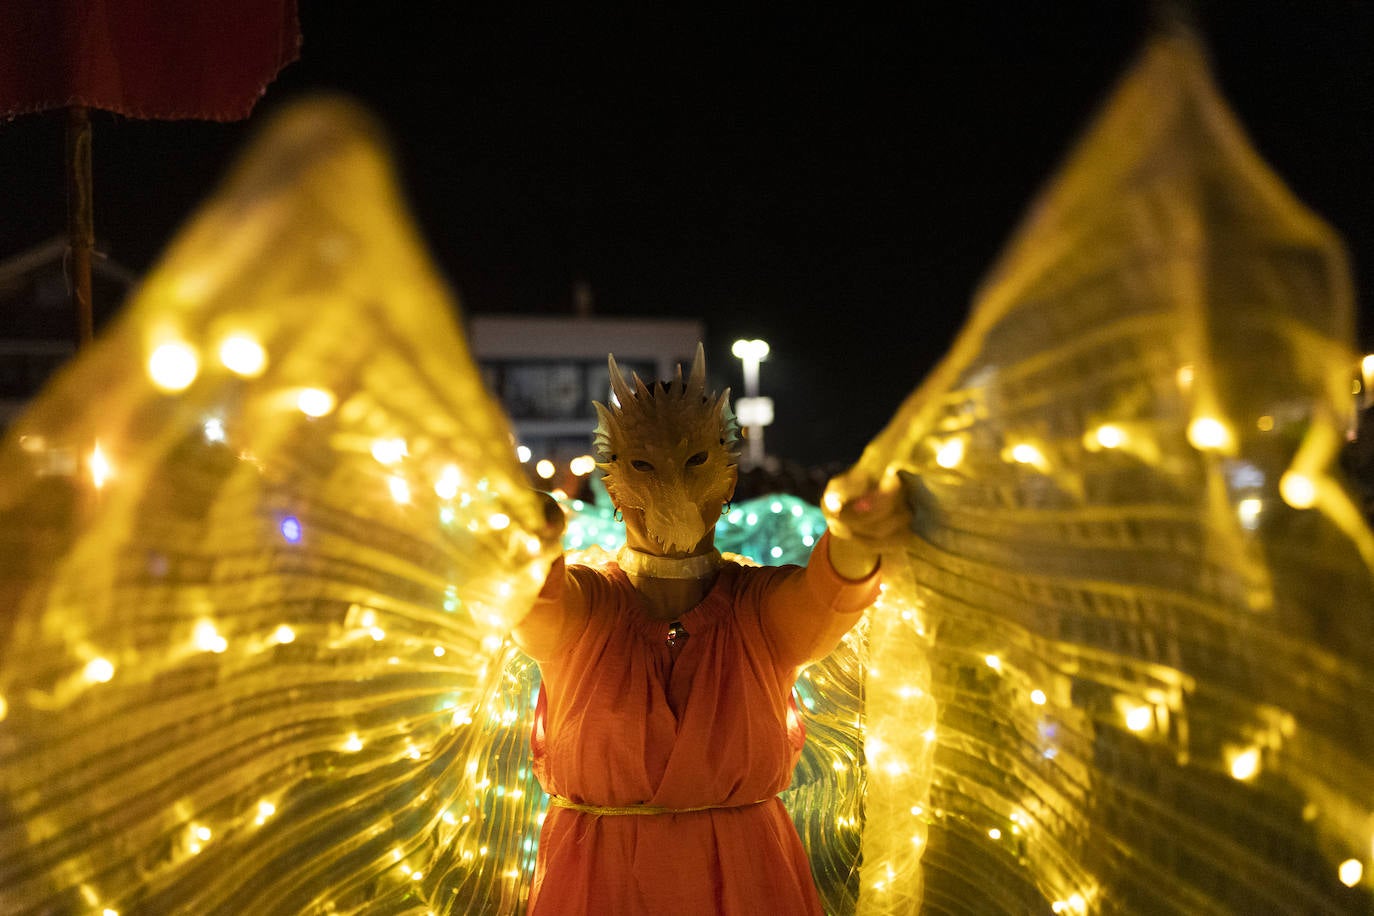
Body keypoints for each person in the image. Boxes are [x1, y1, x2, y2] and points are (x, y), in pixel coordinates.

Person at [514, 345, 909, 915]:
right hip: (600, 885)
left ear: (727, 478)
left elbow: (829, 593)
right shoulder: (587, 606)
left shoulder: (758, 608)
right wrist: (527, 536)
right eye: (644, 464)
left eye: (695, 461)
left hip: (747, 880)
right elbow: (536, 599)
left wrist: (856, 529)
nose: (670, 484)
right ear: (614, 481)